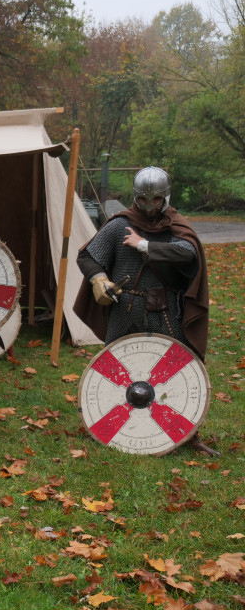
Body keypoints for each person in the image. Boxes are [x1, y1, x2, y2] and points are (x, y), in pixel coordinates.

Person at [74, 166, 216, 455]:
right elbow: (88, 255)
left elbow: (189, 253)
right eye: (144, 200)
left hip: (163, 308)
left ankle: (188, 432)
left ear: (165, 197)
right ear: (135, 197)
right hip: (125, 306)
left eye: (156, 200)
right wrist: (98, 279)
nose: (150, 206)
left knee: (176, 369)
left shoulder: (173, 225)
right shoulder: (119, 225)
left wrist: (145, 245)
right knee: (112, 370)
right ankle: (104, 425)